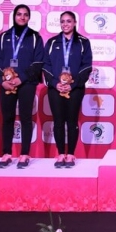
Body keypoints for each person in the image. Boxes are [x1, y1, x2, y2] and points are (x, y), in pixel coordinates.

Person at [0, 5, 44, 169]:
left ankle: (24, 154)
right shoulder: (4, 36)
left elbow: (38, 62)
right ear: (14, 16)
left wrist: (21, 78)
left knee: (25, 118)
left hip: (26, 83)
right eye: (19, 14)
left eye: (25, 15)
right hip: (6, 82)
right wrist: (2, 80)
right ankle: (7, 153)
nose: (22, 17)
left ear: (29, 17)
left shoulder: (35, 37)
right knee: (7, 117)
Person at [43, 11, 93, 168]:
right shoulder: (52, 42)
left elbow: (87, 66)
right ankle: (60, 154)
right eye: (63, 21)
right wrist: (54, 83)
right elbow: (46, 65)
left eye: (69, 21)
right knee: (58, 121)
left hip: (75, 88)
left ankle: (70, 154)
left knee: (72, 121)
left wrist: (73, 84)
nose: (65, 24)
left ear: (75, 23)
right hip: (55, 88)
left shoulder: (83, 42)